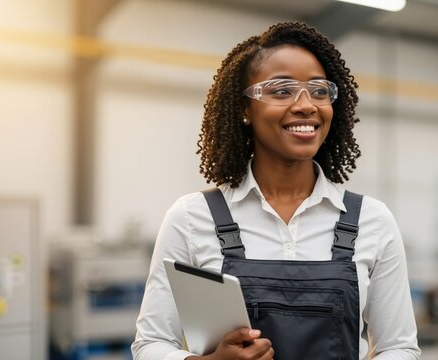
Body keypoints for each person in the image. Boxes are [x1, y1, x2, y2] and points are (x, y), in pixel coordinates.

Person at [132, 21, 420, 360]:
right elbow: (150, 345)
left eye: (319, 91)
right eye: (281, 91)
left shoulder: (372, 220)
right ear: (244, 109)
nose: (306, 105)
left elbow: (398, 348)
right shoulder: (193, 218)